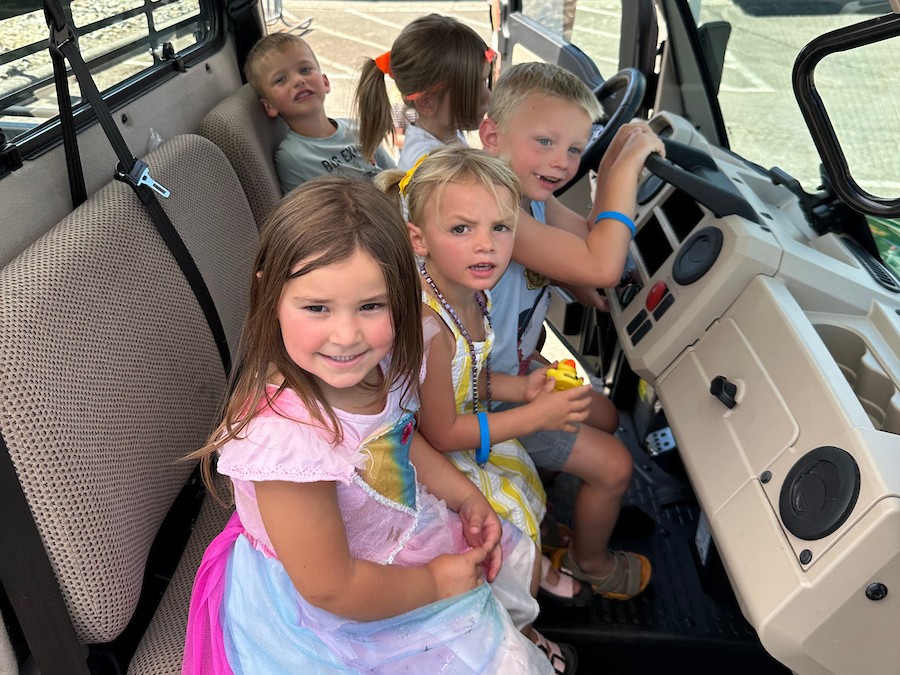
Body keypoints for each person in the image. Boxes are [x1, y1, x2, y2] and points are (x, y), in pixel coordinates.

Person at [181, 176, 553, 674]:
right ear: (270, 292)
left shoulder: (391, 359)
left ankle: (514, 634)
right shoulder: (288, 440)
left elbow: (400, 440)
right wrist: (435, 583)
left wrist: (465, 496)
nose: (347, 336)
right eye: (316, 308)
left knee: (508, 553)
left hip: (394, 534)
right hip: (335, 604)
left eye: (371, 306)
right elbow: (331, 586)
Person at [379, 147, 595, 636]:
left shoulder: (472, 291)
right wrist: (535, 417)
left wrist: (522, 387)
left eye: (501, 228)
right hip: (424, 454)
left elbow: (470, 376)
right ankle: (511, 621)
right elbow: (442, 431)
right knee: (506, 516)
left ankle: (536, 567)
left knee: (519, 481)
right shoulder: (430, 324)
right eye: (461, 229)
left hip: (459, 433)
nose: (486, 246)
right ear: (419, 240)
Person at [476, 61, 666, 600]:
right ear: (492, 136)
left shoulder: (530, 194)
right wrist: (618, 172)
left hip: (514, 366)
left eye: (576, 150)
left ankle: (556, 506)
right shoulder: (495, 207)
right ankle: (591, 560)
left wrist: (582, 281)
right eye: (545, 142)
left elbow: (585, 244)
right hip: (481, 393)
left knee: (605, 415)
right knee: (615, 465)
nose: (561, 162)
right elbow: (601, 261)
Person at [244, 33, 395, 194]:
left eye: (305, 69)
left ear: (325, 82)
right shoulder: (292, 157)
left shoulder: (358, 128)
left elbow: (394, 177)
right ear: (270, 106)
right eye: (281, 79)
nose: (298, 80)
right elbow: (308, 215)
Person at [355, 14, 493, 170]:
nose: (489, 96)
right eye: (475, 88)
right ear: (427, 103)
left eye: (485, 82)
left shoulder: (447, 133)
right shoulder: (430, 166)